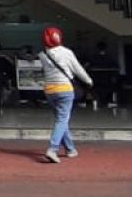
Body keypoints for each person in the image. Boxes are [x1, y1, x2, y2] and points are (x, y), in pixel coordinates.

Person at [38, 26, 93, 164]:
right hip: (64, 89)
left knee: (60, 119)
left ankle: (70, 149)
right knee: (62, 120)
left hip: (49, 90)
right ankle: (52, 149)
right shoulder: (66, 52)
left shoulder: (42, 54)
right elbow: (77, 69)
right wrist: (88, 81)